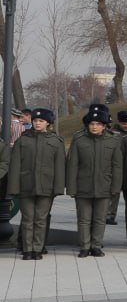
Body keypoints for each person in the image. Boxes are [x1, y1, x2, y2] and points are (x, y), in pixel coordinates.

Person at [66, 106, 123, 258]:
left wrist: (116, 187)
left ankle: (96, 246)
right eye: (92, 124)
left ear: (104, 126)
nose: (94, 127)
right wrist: (71, 188)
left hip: (104, 186)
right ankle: (85, 246)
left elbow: (117, 166)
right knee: (83, 219)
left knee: (100, 219)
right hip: (83, 187)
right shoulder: (79, 140)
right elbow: (72, 165)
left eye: (98, 124)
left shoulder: (113, 141)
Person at [9, 108, 65, 260]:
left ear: (48, 123)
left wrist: (59, 188)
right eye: (35, 120)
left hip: (47, 187)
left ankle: (37, 249)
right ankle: (27, 249)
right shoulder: (23, 141)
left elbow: (60, 167)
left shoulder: (56, 142)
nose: (37, 123)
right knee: (28, 219)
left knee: (41, 219)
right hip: (26, 186)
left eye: (41, 121)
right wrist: (14, 187)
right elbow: (15, 166)